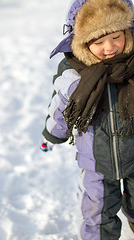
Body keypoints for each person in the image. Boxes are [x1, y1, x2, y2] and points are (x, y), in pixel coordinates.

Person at [40, 0, 134, 239]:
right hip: (96, 165)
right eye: (99, 41)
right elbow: (60, 109)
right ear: (82, 43)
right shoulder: (73, 76)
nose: (110, 47)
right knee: (98, 215)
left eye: (116, 36)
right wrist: (52, 135)